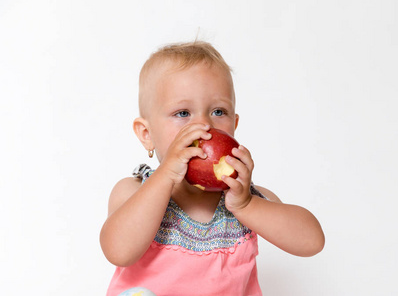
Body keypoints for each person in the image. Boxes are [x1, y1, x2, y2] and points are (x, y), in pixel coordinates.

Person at [100, 41, 325, 296]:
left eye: (219, 111)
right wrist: (164, 177)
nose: (204, 125)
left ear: (235, 125)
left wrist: (245, 205)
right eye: (183, 113)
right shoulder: (132, 192)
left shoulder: (249, 200)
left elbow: (312, 242)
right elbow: (118, 252)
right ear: (146, 134)